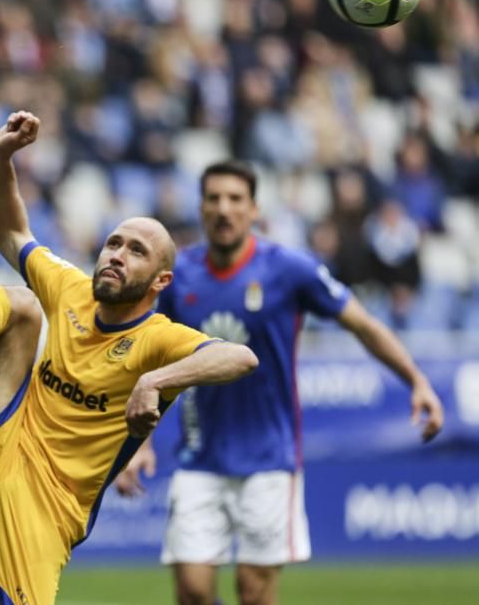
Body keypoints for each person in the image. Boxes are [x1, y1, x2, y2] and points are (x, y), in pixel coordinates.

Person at [0, 111, 259, 605]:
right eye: (114, 243)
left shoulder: (158, 339)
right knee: (22, 307)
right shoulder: (72, 289)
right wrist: (2, 156)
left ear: (161, 281)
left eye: (137, 251)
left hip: (52, 502)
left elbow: (241, 358)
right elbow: (11, 235)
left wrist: (154, 382)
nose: (117, 254)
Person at [115, 160, 445, 605]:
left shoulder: (289, 269)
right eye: (213, 198)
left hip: (269, 460)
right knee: (192, 592)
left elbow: (363, 325)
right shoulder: (179, 277)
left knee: (254, 594)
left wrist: (417, 380)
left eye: (235, 199)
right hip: (199, 458)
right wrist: (142, 443)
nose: (223, 209)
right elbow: (147, 357)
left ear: (253, 209)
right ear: (201, 207)